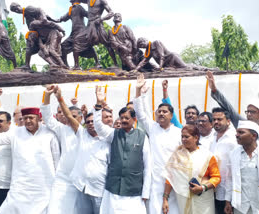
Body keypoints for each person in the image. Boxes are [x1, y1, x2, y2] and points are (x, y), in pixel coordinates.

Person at [206, 71, 259, 195]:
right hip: (246, 187)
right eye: (247, 112)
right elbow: (229, 107)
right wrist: (214, 90)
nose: (249, 115)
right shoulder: (244, 125)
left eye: (252, 112)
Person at [0, 107, 60, 214]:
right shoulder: (15, 133)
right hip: (20, 187)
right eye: (25, 118)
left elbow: (56, 160)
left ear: (38, 118)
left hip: (44, 187)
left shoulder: (49, 133)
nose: (28, 121)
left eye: (31, 118)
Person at [93, 86, 151, 214]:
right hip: (113, 190)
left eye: (126, 118)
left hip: (134, 191)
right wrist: (98, 104)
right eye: (121, 118)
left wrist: (146, 192)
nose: (123, 120)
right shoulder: (113, 134)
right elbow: (98, 125)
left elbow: (147, 166)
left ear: (134, 120)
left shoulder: (142, 136)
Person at [134, 74, 181, 214]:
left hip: (174, 180)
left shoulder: (179, 132)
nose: (161, 114)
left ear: (171, 115)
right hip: (155, 181)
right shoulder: (153, 128)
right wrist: (138, 91)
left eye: (165, 112)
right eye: (159, 111)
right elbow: (140, 112)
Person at [41, 85, 84, 214]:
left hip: (81, 181)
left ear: (81, 118)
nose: (71, 118)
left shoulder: (85, 132)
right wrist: (47, 95)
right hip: (62, 179)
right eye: (69, 116)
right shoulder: (63, 129)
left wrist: (60, 97)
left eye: (74, 116)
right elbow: (48, 118)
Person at [162, 124, 221, 214]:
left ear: (196, 138)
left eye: (186, 137)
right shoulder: (177, 155)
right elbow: (170, 178)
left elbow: (216, 177)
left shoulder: (207, 155)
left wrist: (202, 188)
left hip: (203, 200)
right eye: (182, 137)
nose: (183, 139)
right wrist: (165, 198)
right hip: (183, 199)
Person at [10, 2, 67, 69]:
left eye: (16, 8)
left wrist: (47, 19)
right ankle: (53, 64)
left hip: (49, 33)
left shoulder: (28, 9)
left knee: (51, 50)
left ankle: (62, 65)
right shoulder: (28, 18)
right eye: (14, 11)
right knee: (39, 51)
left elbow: (40, 11)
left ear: (19, 6)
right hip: (41, 35)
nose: (17, 11)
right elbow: (33, 30)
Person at [52, 0, 99, 69]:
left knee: (82, 46)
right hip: (73, 33)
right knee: (63, 47)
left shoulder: (79, 7)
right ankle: (65, 66)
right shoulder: (71, 9)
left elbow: (88, 15)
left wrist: (95, 20)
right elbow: (61, 19)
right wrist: (51, 19)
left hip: (81, 31)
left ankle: (79, 65)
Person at [209, 107, 237, 214]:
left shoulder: (233, 139)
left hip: (228, 192)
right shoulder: (212, 137)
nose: (216, 122)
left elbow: (234, 169)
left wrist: (228, 199)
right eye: (214, 119)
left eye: (220, 119)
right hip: (214, 188)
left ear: (228, 121)